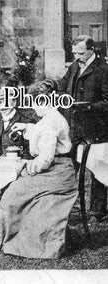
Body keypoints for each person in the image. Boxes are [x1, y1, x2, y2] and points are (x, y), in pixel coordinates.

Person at [0, 79, 78, 259]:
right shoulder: (52, 117)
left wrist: (29, 167)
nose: (33, 107)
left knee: (13, 192)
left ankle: (6, 240)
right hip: (60, 170)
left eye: (34, 103)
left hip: (56, 172)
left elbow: (45, 158)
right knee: (16, 188)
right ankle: (5, 238)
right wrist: (28, 127)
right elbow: (43, 132)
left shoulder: (50, 123)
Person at [58, 35, 108, 221]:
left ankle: (98, 210)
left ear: (91, 50)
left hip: (96, 129)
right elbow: (62, 88)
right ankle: (71, 206)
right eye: (74, 53)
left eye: (80, 53)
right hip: (73, 128)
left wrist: (88, 106)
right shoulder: (73, 67)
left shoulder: (103, 70)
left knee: (98, 168)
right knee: (70, 167)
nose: (76, 56)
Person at [0, 88, 36, 157]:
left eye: (6, 102)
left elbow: (33, 152)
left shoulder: (27, 122)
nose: (3, 106)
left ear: (14, 102)